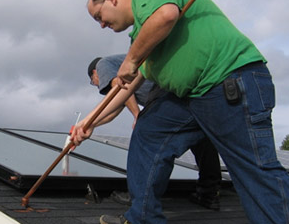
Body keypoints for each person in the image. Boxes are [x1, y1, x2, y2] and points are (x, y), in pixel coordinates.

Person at [72, 0, 289, 224]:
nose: (102, 25)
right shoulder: (142, 36)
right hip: (192, 97)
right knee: (149, 131)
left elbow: (166, 15)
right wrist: (89, 123)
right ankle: (142, 218)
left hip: (229, 81)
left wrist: (131, 60)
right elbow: (126, 89)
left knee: (254, 170)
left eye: (99, 17)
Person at [87, 54, 223, 210]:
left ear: (94, 72)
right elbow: (116, 108)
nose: (96, 85)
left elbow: (121, 89)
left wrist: (138, 115)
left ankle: (138, 198)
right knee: (203, 141)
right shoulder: (120, 64)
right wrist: (90, 125)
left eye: (93, 81)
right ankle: (209, 194)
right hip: (190, 92)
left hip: (167, 97)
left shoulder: (103, 64)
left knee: (147, 141)